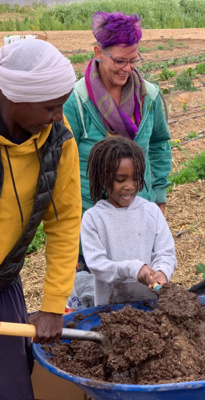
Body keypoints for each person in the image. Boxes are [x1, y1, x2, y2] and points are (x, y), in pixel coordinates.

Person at [0, 39, 81, 399]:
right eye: (51, 107)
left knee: (13, 388)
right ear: (16, 97)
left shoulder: (58, 143)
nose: (58, 116)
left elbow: (63, 223)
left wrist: (52, 306)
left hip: (4, 282)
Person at [63, 12, 172, 269]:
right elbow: (62, 163)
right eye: (120, 60)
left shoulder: (149, 97)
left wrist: (159, 195)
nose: (128, 68)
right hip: (91, 214)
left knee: (141, 283)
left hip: (138, 209)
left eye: (134, 60)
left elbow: (158, 144)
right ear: (98, 53)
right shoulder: (77, 102)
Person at [81, 136, 176, 305]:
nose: (130, 186)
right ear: (103, 178)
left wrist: (162, 272)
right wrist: (134, 269)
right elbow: (97, 265)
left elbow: (166, 252)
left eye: (136, 178)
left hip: (152, 306)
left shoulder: (151, 211)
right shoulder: (93, 219)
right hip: (111, 311)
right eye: (120, 179)